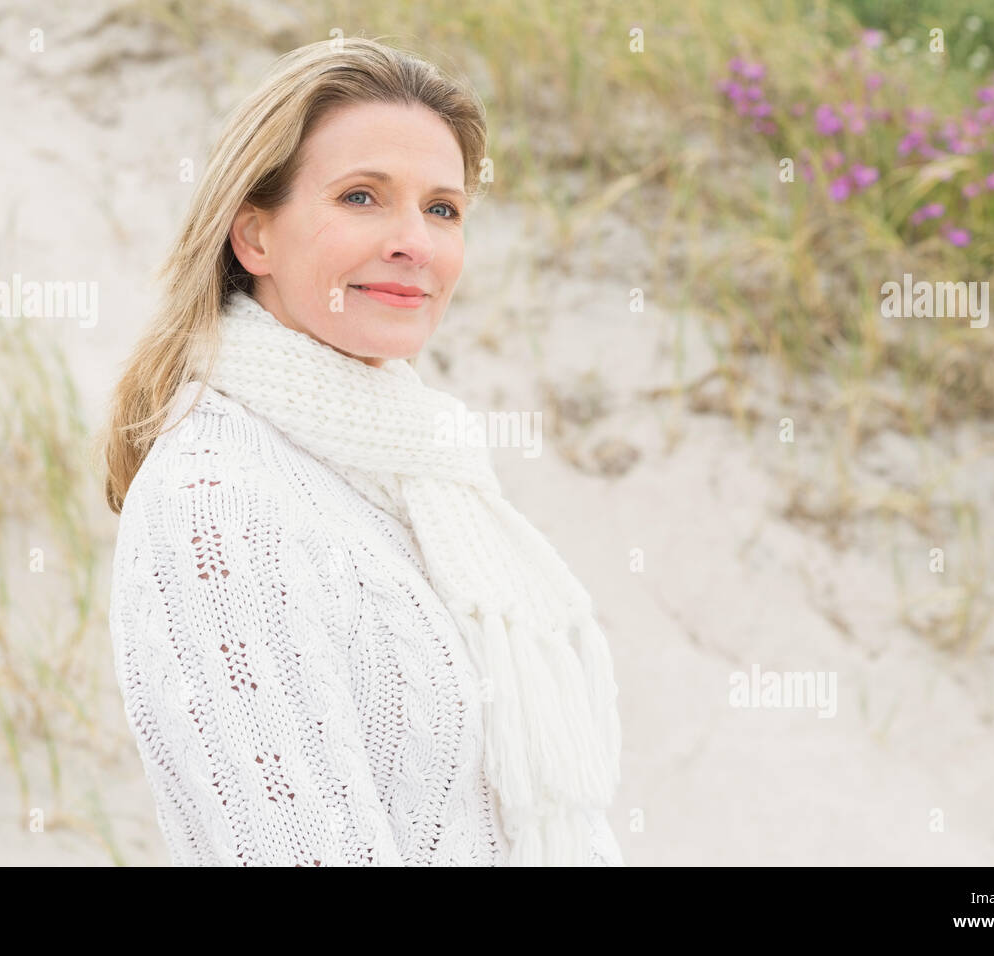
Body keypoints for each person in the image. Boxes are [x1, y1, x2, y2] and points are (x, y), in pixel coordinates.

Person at [98, 36, 625, 866]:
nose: (415, 241)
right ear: (254, 238)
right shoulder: (218, 501)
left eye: (443, 209)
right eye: (362, 197)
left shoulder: (417, 476)